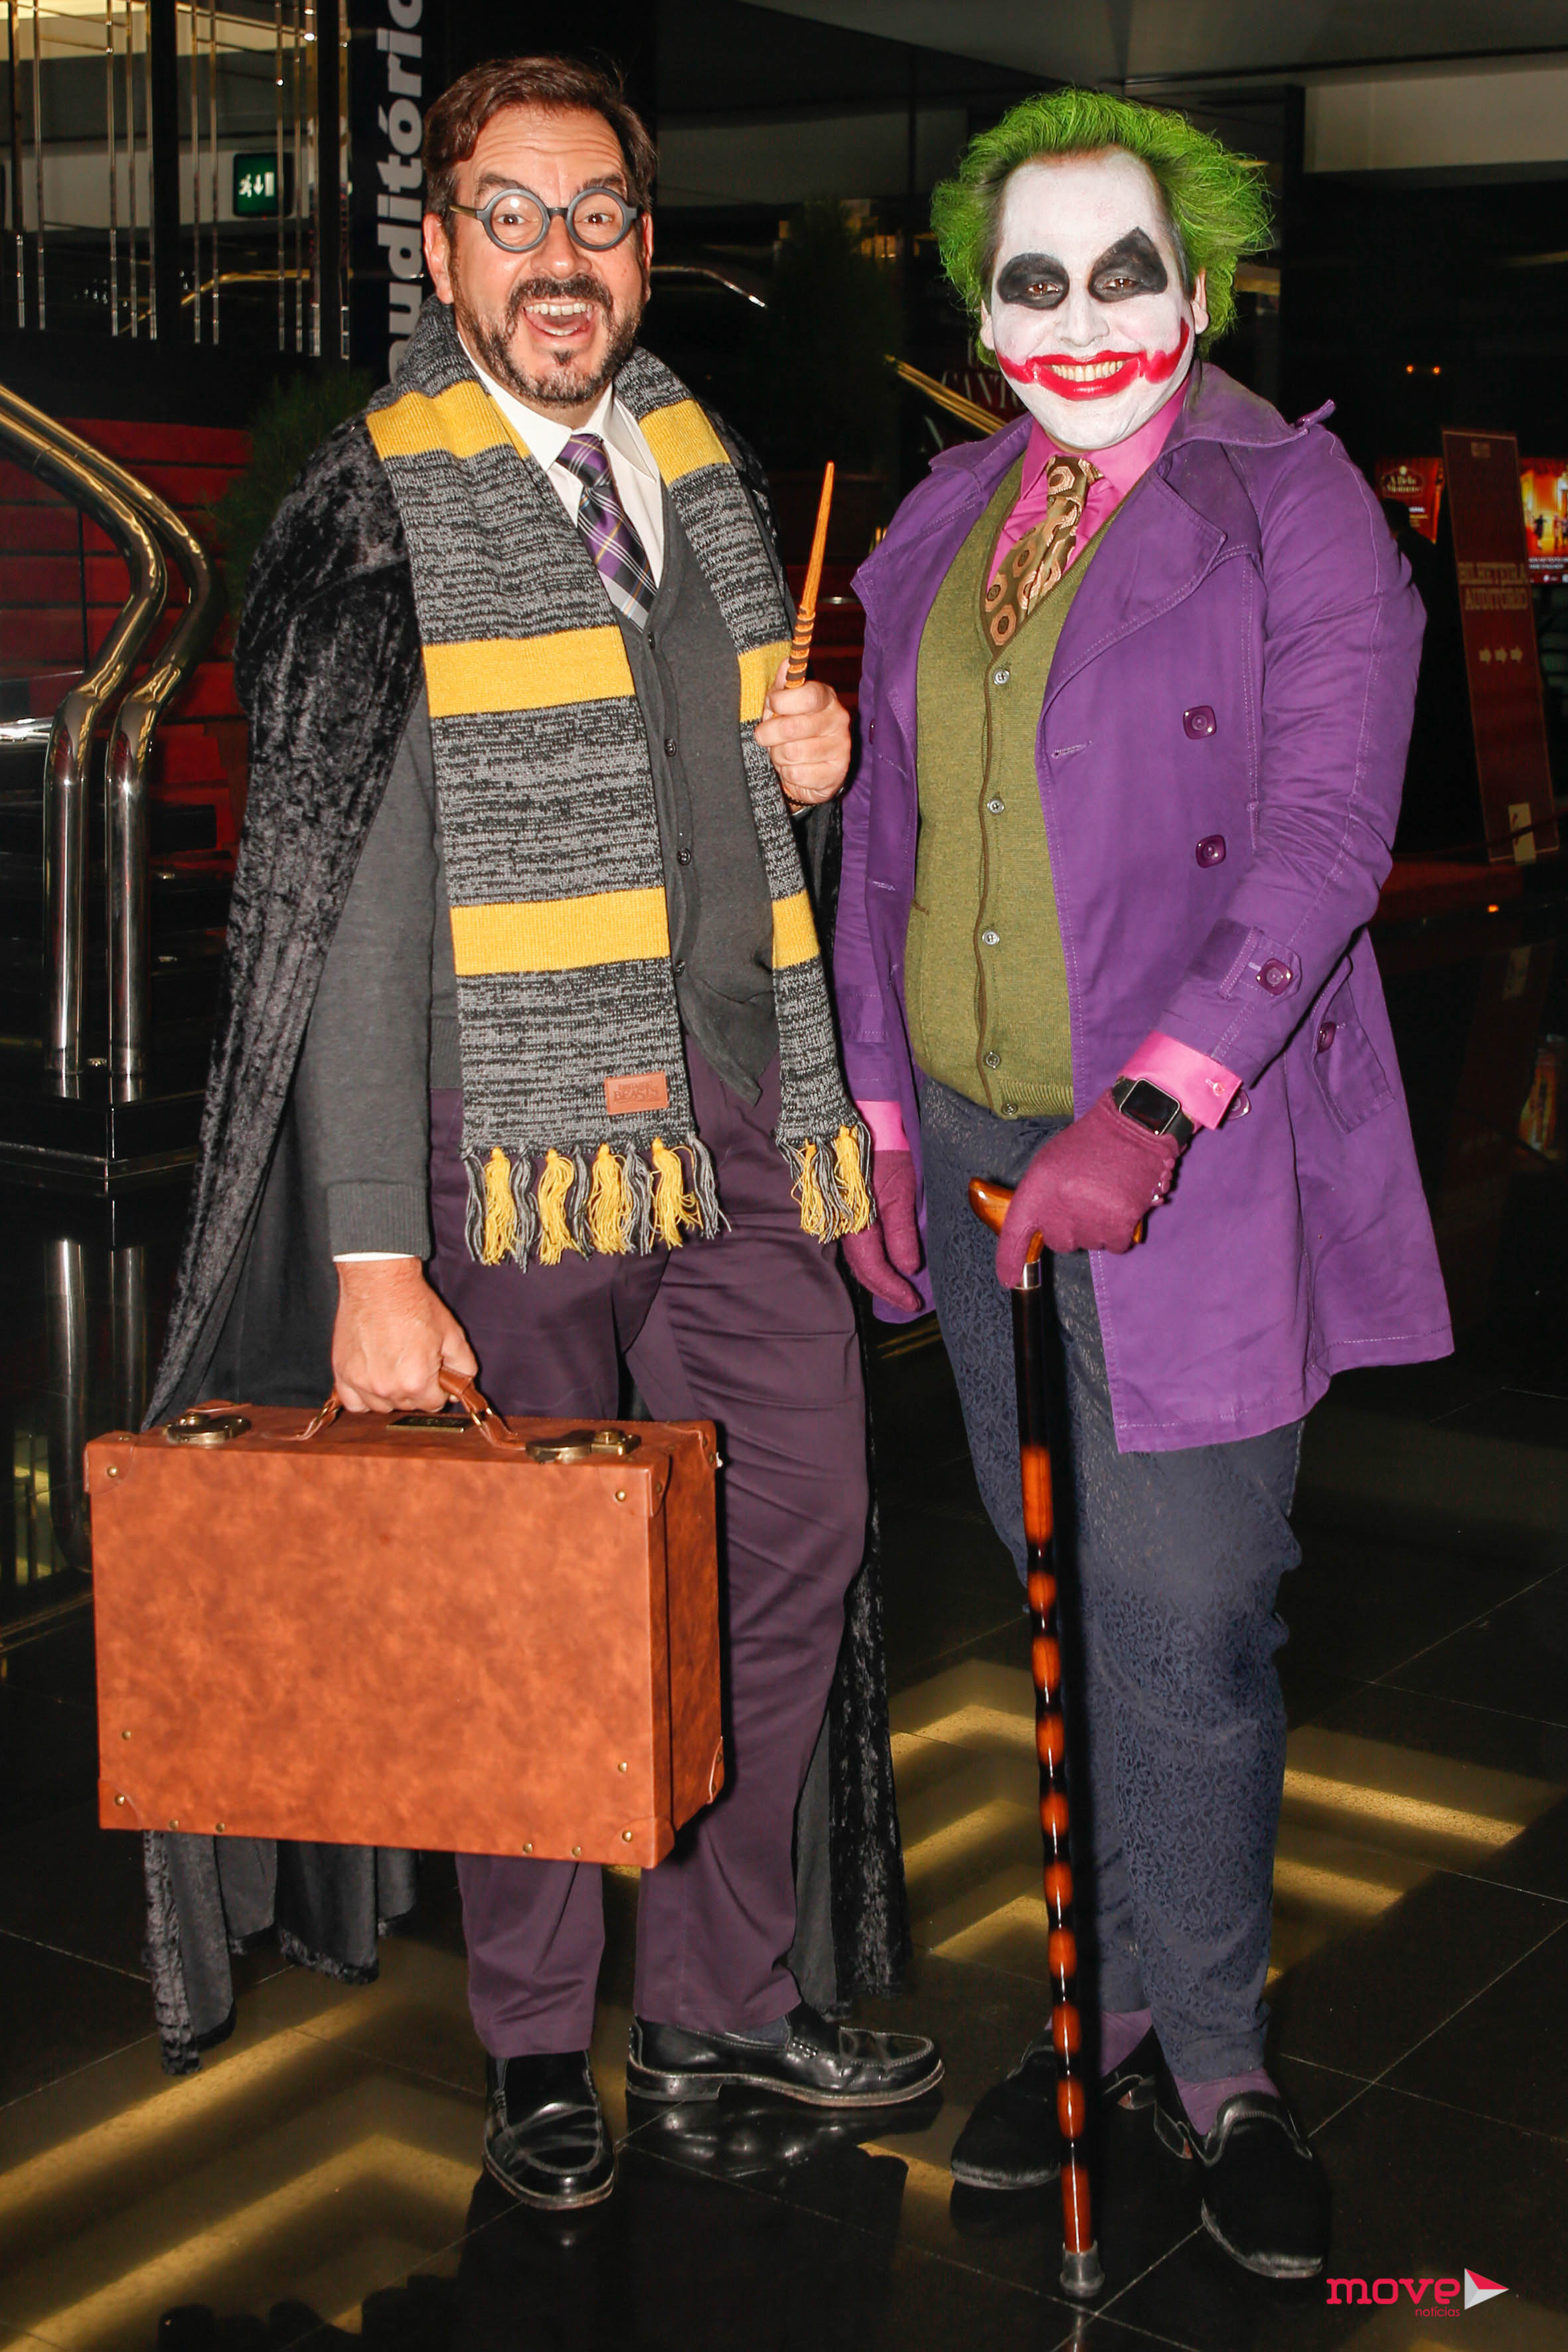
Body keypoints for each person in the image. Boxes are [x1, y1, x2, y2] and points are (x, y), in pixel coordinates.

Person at [142, 53, 939, 2209]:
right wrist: (372, 1255)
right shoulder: (373, 506)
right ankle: (529, 2046)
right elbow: (340, 905)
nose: (558, 259)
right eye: (512, 216)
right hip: (504, 1145)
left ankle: (711, 2005)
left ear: (645, 249)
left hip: (736, 1124)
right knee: (524, 1604)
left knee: (791, 1541)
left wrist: (810, 760)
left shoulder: (702, 469)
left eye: (595, 218)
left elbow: (732, 807)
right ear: (442, 249)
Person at [834, 88, 1451, 2280]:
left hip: (1193, 1158)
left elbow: (1322, 837)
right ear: (979, 311)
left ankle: (1216, 2064)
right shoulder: (939, 514)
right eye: (1034, 279)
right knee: (1052, 1601)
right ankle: (1086, 2020)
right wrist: (875, 1112)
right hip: (969, 1144)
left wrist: (1156, 1105)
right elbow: (882, 841)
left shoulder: (1292, 507)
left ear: (1197, 288)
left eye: (1125, 272)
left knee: (1183, 1618)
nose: (1081, 317)